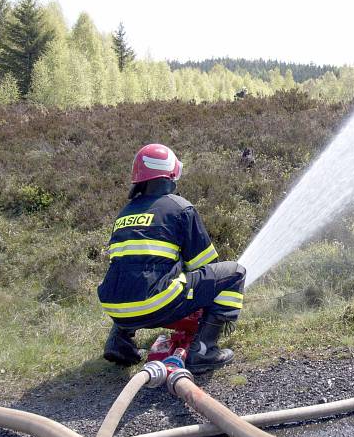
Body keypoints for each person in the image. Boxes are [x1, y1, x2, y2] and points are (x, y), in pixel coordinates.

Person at [98, 143, 246, 373]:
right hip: (154, 304)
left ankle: (119, 342)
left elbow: (131, 266)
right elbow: (206, 266)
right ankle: (204, 350)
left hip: (115, 308)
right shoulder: (180, 207)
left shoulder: (125, 213)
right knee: (234, 273)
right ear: (170, 175)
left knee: (134, 275)